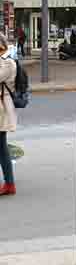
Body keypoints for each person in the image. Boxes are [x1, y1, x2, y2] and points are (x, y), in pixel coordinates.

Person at [0, 33, 17, 196]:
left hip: (2, 110)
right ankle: (9, 182)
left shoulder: (8, 63)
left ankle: (10, 183)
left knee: (1, 147)